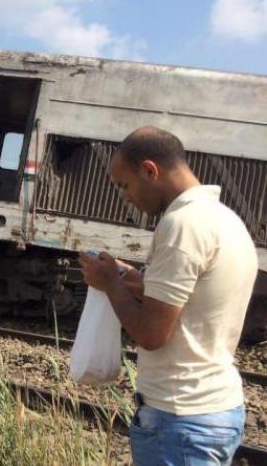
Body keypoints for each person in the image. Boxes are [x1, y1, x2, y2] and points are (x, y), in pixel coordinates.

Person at [78, 126, 257, 466]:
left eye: (124, 185)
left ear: (150, 171)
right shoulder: (225, 219)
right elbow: (197, 303)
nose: (125, 197)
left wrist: (111, 284)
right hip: (214, 406)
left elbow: (151, 334)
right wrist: (138, 282)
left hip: (180, 418)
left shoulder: (181, 225)